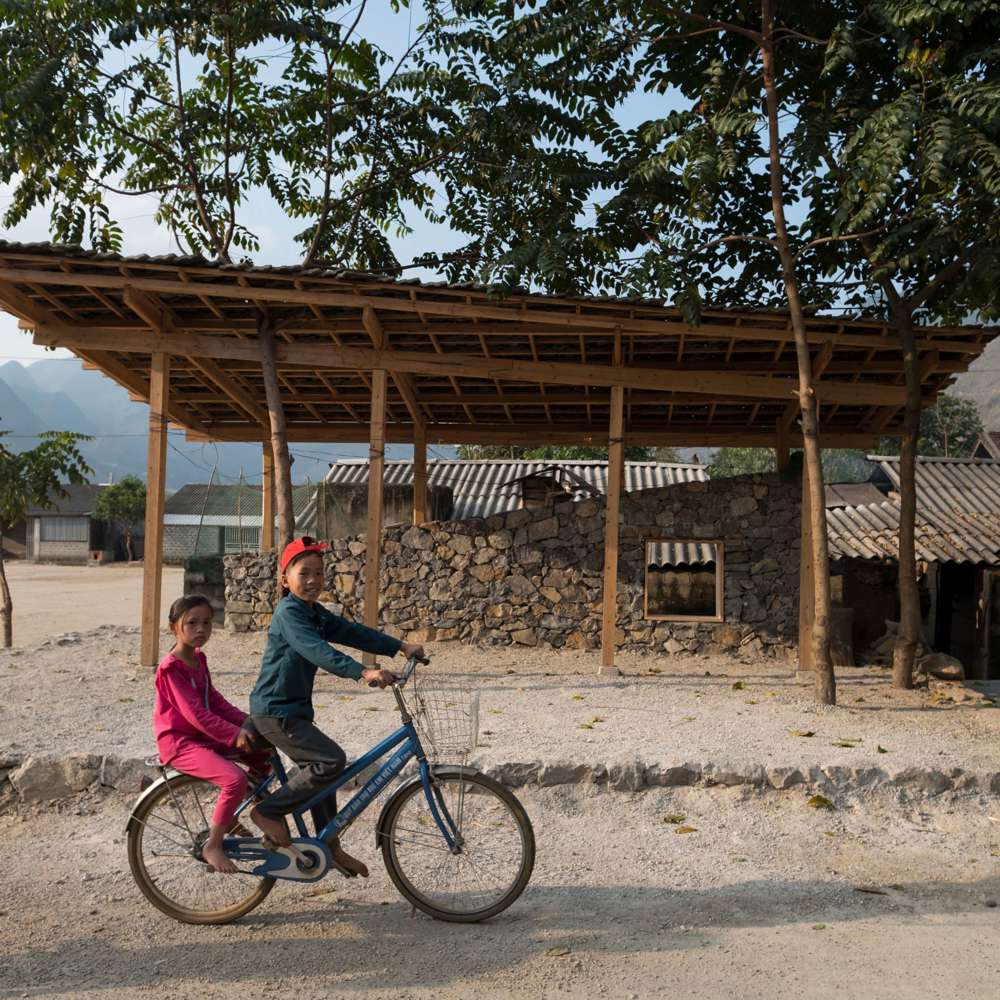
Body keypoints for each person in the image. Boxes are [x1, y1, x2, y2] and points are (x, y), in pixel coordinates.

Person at [248, 536, 425, 878]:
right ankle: (268, 812)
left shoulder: (313, 612)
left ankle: (329, 845)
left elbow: (351, 632)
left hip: (293, 712)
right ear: (285, 579)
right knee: (331, 760)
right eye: (304, 573)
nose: (313, 580)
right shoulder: (289, 613)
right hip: (275, 711)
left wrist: (400, 645)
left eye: (319, 573)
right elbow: (317, 650)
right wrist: (363, 672)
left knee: (324, 773)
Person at [153, 595, 272, 874]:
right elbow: (196, 714)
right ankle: (213, 845)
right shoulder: (171, 669)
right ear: (174, 628)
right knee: (234, 779)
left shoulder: (198, 659)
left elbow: (215, 702)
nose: (200, 629)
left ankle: (253, 811)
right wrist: (233, 734)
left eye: (206, 623)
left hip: (203, 738)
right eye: (191, 623)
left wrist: (250, 723)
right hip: (181, 743)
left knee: (263, 751)